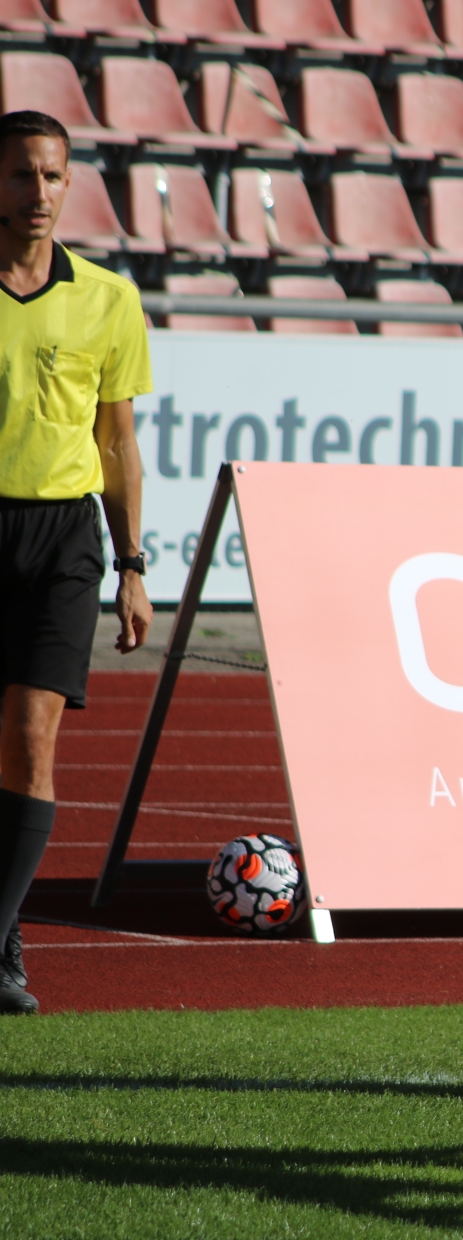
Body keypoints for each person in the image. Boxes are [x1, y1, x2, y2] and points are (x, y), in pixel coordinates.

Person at [0, 110, 153, 1015]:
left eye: (53, 175)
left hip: (64, 538)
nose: (39, 192)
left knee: (31, 737)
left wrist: (132, 564)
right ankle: (5, 931)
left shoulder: (108, 299)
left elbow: (118, 441)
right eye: (22, 174)